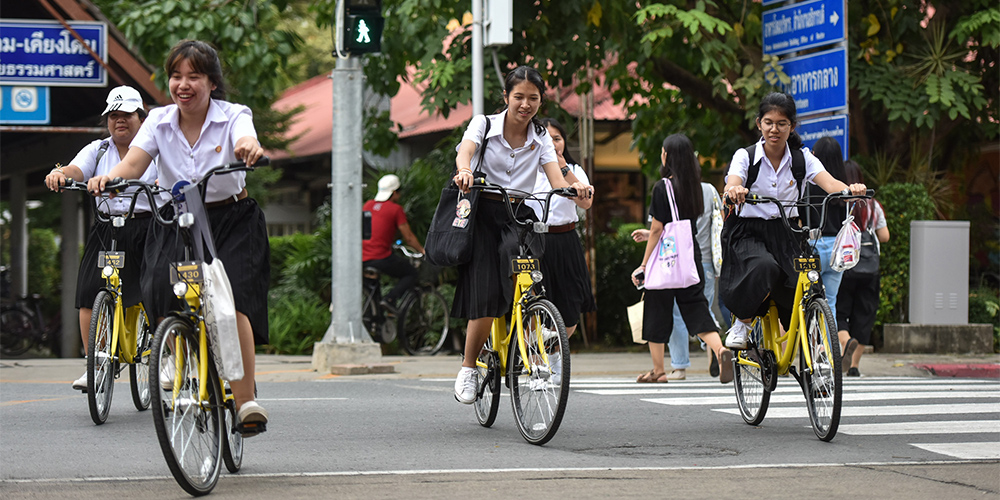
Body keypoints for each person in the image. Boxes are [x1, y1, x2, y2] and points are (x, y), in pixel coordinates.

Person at [87, 40, 269, 434]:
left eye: (194, 76)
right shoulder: (157, 121)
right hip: (177, 220)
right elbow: (133, 164)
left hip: (230, 220)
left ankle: (244, 401)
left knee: (232, 300)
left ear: (212, 83)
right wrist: (110, 178)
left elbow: (245, 139)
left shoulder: (233, 115)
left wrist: (249, 148)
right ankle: (176, 354)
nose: (183, 84)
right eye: (176, 76)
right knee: (156, 288)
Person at [450, 66, 593, 404]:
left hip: (518, 214)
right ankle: (469, 367)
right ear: (506, 97)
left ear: (540, 101)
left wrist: (573, 190)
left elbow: (555, 179)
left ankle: (529, 326)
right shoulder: (484, 124)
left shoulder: (541, 135)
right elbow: (465, 151)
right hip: (483, 212)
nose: (525, 104)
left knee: (528, 274)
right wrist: (465, 170)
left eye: (533, 98)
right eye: (519, 97)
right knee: (485, 292)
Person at [721, 92, 867, 350]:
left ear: (792, 127)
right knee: (763, 267)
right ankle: (742, 323)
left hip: (787, 232)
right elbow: (733, 181)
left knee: (806, 284)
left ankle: (817, 354)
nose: (774, 129)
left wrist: (850, 190)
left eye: (781, 123)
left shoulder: (802, 158)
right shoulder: (745, 156)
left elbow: (830, 183)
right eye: (768, 122)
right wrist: (735, 190)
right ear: (759, 124)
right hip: (748, 233)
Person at [44, 86, 158, 392]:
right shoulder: (99, 149)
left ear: (140, 117)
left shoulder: (154, 148)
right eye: (113, 116)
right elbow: (76, 169)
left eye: (127, 115)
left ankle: (166, 356)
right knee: (89, 292)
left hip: (148, 227)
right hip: (108, 228)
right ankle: (94, 364)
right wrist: (60, 174)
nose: (119, 121)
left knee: (156, 288)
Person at [629, 133, 733, 384]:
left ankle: (659, 371)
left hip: (666, 260)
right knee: (696, 307)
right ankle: (720, 350)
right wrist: (651, 233)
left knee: (656, 311)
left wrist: (644, 265)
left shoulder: (662, 187)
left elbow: (657, 229)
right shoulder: (696, 188)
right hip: (690, 255)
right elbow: (678, 225)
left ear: (667, 156)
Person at [528, 117, 596, 338]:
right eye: (546, 138)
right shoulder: (527, 171)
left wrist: (563, 168)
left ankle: (557, 354)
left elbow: (586, 202)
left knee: (571, 305)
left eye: (557, 138)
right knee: (533, 302)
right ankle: (534, 358)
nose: (553, 143)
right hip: (534, 242)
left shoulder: (574, 169)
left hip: (566, 240)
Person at [803, 136, 855, 361]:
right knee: (830, 302)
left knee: (807, 302)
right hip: (838, 250)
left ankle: (815, 349)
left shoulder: (808, 184)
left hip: (813, 247)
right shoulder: (842, 186)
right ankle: (831, 349)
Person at [836, 160, 890, 376]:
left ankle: (845, 341)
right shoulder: (873, 205)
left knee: (839, 311)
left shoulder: (838, 202)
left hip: (845, 266)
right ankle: (855, 367)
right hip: (869, 269)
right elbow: (884, 236)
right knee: (864, 314)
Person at [363, 174, 426, 311]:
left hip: (362, 258)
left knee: (373, 290)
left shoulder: (368, 205)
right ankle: (390, 299)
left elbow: (366, 233)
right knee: (411, 273)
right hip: (380, 257)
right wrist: (422, 250)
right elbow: (408, 237)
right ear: (394, 193)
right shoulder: (395, 209)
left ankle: (377, 321)